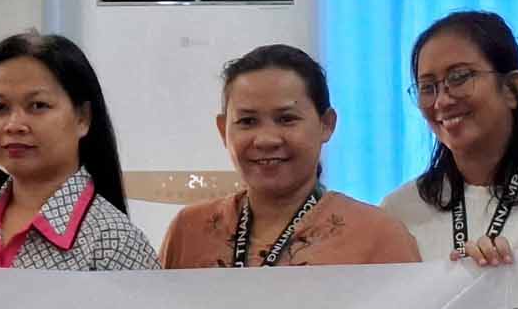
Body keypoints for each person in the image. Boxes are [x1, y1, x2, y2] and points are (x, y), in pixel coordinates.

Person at [158, 44, 418, 268]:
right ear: (222, 130)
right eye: (247, 121)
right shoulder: (188, 231)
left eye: (286, 119)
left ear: (326, 124)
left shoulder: (377, 236)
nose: (266, 139)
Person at [381, 11, 518, 264]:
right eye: (427, 87)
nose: (441, 100)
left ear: (512, 88)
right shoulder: (398, 213)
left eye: (459, 77)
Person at [0, 32, 158, 272]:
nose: (14, 125)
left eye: (38, 105)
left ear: (82, 118)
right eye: (0, 107)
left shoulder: (115, 244)